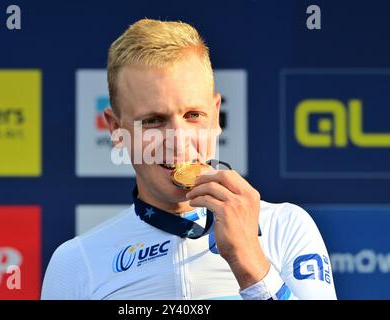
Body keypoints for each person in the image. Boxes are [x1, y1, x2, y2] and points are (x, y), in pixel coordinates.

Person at [41, 18, 337, 300]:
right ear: (117, 130)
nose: (178, 139)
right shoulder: (76, 262)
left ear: (216, 114)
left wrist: (249, 263)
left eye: (193, 115)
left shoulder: (285, 226)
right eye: (154, 120)